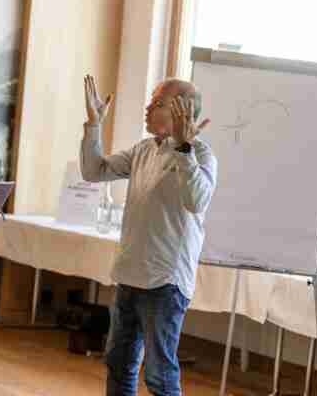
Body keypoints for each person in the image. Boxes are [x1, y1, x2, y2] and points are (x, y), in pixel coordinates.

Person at [81, 75, 217, 396]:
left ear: (181, 111)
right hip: (130, 275)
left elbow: (197, 201)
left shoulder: (201, 154)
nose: (147, 107)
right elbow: (93, 171)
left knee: (159, 376)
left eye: (156, 103)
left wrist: (183, 149)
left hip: (165, 283)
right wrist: (94, 125)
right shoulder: (144, 149)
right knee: (119, 365)